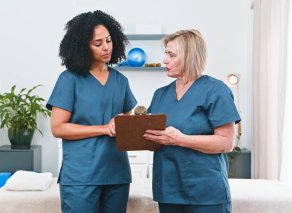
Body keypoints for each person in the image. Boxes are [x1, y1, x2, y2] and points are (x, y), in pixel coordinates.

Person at [46, 10, 137, 213]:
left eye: (108, 40)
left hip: (117, 174)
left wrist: (122, 121)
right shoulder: (69, 80)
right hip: (81, 176)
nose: (106, 47)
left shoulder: (120, 81)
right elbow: (58, 128)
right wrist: (103, 129)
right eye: (98, 43)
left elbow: (125, 120)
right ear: (83, 47)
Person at [143, 29, 241, 213]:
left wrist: (180, 139)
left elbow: (227, 143)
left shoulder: (215, 90)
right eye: (166, 54)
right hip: (168, 189)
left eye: (171, 55)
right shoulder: (160, 95)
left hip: (205, 192)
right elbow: (153, 137)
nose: (165, 60)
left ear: (189, 56)